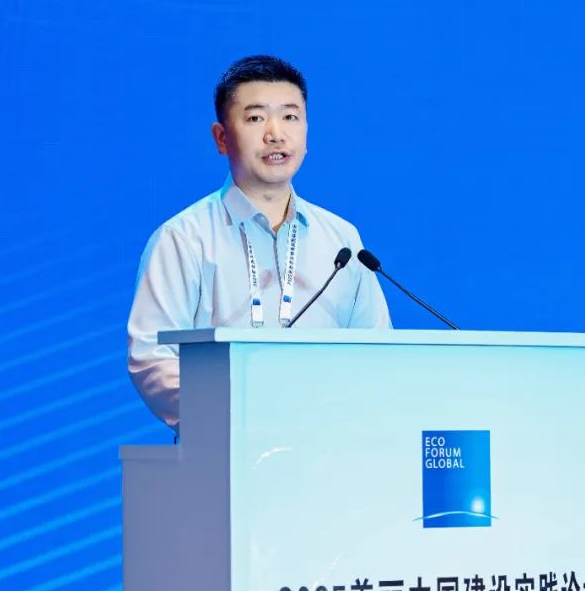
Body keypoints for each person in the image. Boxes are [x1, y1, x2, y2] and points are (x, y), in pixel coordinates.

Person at [127, 55, 391, 429]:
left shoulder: (343, 241)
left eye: (290, 117)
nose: (275, 134)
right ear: (221, 138)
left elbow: (377, 352)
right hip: (224, 446)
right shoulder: (184, 239)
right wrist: (239, 415)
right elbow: (152, 357)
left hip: (331, 444)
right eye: (255, 118)